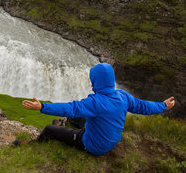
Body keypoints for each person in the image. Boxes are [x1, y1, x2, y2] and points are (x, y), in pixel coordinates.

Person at [22, 62, 175, 155]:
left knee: (50, 129)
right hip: (112, 141)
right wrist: (164, 106)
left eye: (92, 80)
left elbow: (70, 107)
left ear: (96, 81)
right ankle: (65, 125)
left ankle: (33, 146)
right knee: (79, 117)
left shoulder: (95, 102)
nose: (91, 84)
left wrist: (42, 106)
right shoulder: (123, 96)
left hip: (93, 146)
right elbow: (143, 106)